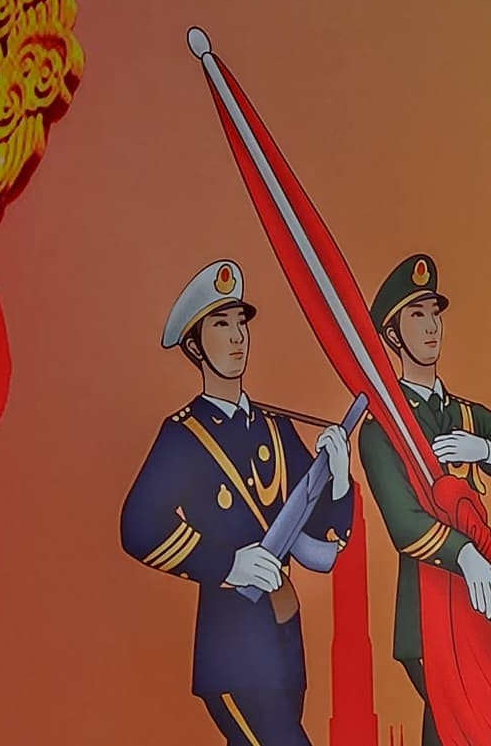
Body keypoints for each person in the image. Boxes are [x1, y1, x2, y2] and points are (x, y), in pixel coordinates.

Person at [118, 259, 355, 745]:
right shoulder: (183, 436)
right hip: (231, 643)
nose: (236, 337)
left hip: (284, 632)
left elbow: (321, 542)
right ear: (195, 347)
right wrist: (228, 564)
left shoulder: (276, 428)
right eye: (220, 326)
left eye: (240, 324)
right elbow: (138, 526)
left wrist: (339, 479)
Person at [353, 252, 491, 746]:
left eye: (435, 313)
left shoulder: (465, 415)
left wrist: (485, 449)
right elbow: (404, 524)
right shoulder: (383, 429)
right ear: (394, 336)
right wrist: (466, 555)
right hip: (427, 612)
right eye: (417, 315)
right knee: (462, 726)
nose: (432, 326)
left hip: (476, 610)